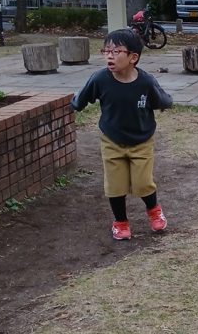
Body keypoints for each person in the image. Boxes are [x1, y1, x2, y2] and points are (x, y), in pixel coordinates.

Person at [71, 29, 173, 241]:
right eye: (106, 51)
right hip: (112, 140)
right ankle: (120, 222)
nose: (109, 56)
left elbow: (161, 99)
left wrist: (165, 103)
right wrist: (75, 104)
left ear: (133, 57)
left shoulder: (145, 82)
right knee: (115, 185)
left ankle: (154, 210)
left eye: (116, 51)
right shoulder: (100, 79)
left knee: (143, 183)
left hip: (141, 141)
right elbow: (82, 97)